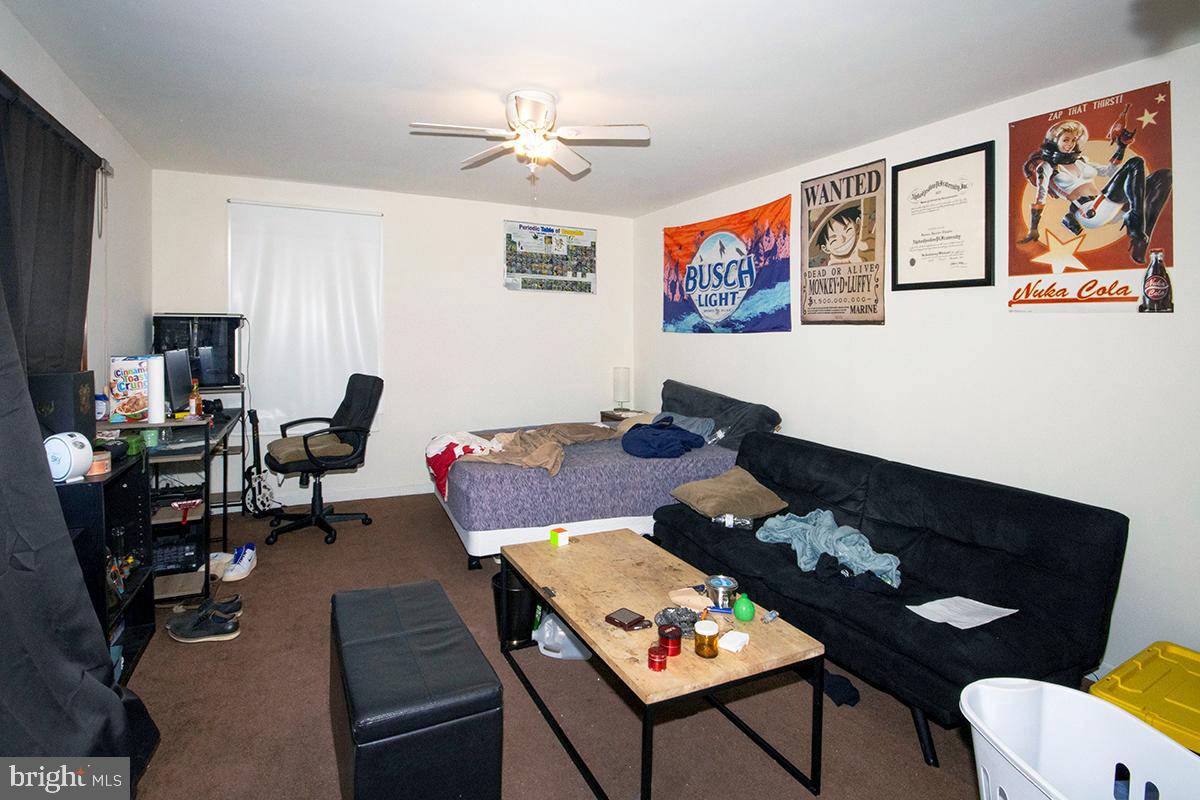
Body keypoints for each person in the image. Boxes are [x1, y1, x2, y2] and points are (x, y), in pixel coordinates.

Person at [1018, 116, 1172, 263]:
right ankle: (1135, 227)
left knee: (1164, 176)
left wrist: (1122, 147)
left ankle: (1141, 242)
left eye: (1073, 140)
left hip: (1109, 205)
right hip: (1089, 211)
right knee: (1135, 162)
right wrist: (1033, 229)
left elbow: (1109, 172)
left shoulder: (1080, 161)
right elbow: (1040, 196)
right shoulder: (1047, 167)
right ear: (1054, 141)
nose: (1070, 144)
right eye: (1066, 140)